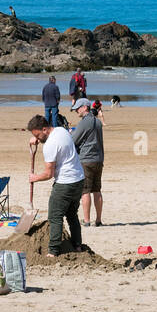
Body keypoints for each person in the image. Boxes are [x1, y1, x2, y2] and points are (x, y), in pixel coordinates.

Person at [26, 114, 86, 256]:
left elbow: (49, 174)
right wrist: (38, 140)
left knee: (55, 216)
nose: (38, 138)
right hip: (79, 179)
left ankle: (53, 251)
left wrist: (34, 178)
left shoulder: (50, 146)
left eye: (38, 135)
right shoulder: (61, 131)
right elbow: (48, 140)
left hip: (65, 183)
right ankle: (77, 245)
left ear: (45, 129)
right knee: (72, 215)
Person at [71, 97, 104, 226]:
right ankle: (98, 220)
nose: (76, 111)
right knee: (97, 190)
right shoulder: (97, 121)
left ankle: (86, 220)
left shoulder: (85, 122)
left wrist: (69, 133)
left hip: (86, 159)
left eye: (77, 109)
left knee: (85, 191)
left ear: (85, 107)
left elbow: (73, 140)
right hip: (98, 159)